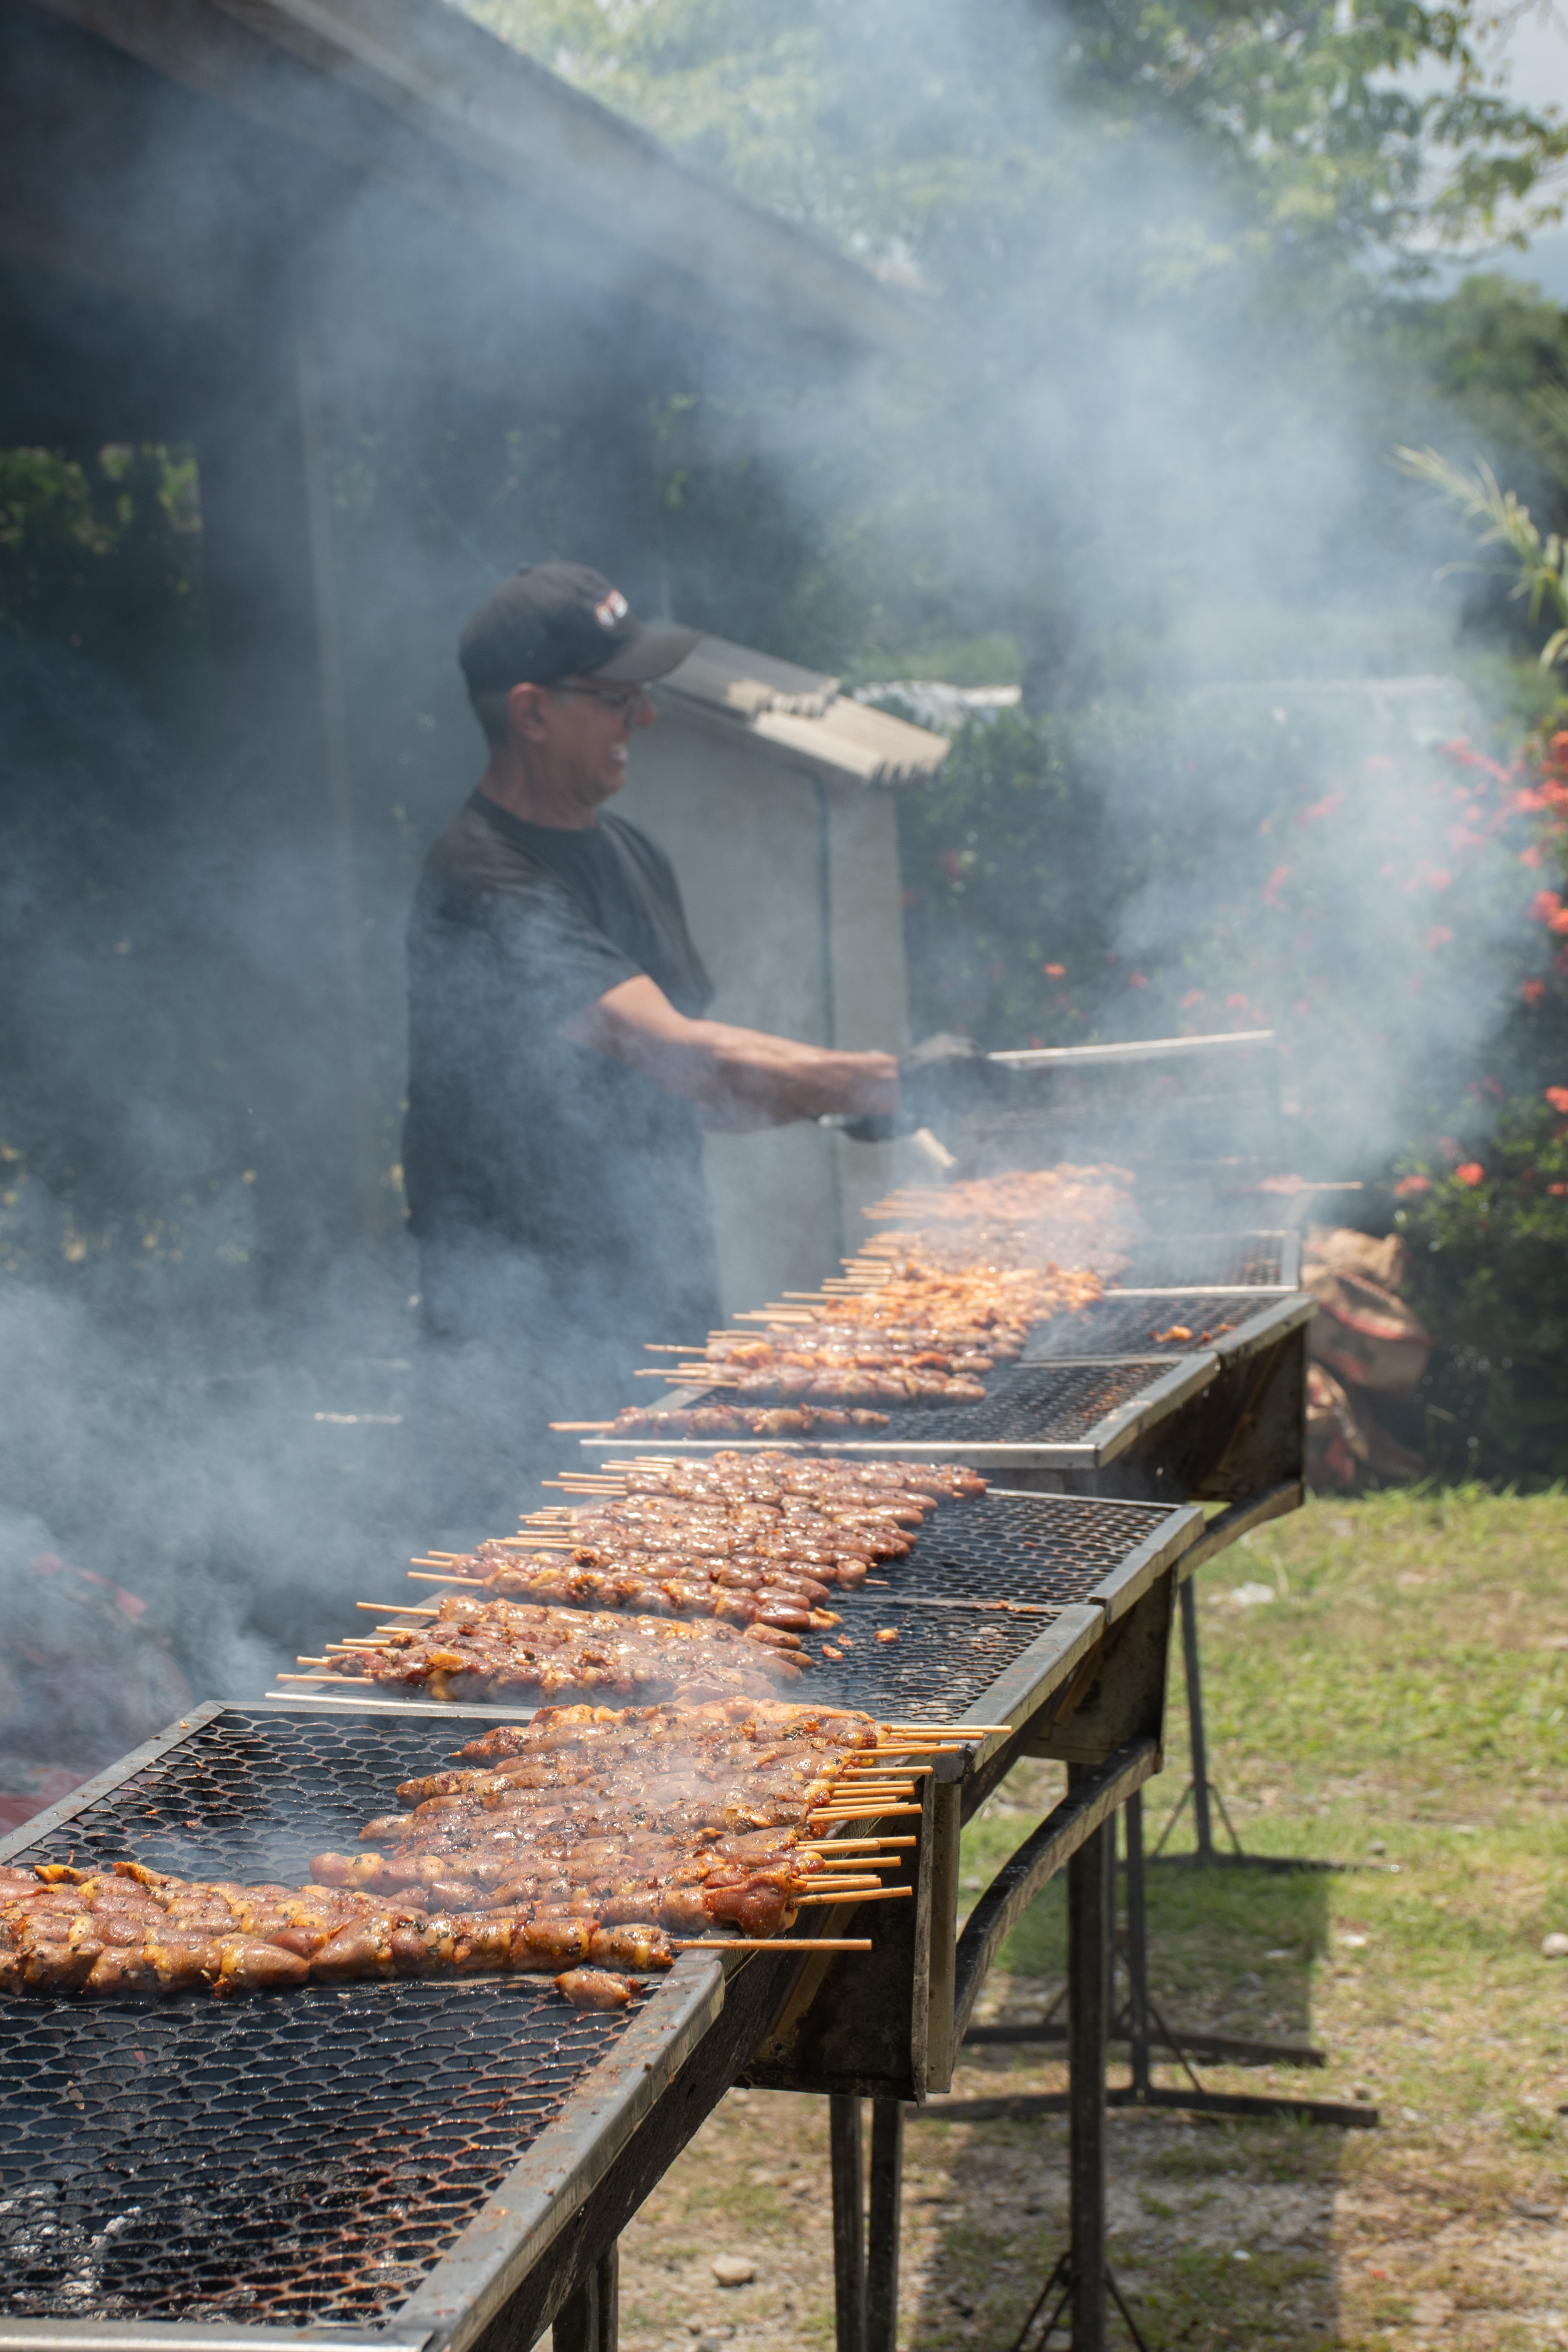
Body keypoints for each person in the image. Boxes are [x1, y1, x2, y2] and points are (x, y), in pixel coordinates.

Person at [403, 563, 899, 1517]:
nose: (646, 716)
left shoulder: (635, 856)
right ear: (531, 712)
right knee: (557, 1598)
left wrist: (831, 1100)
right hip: (524, 1361)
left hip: (661, 1323)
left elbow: (708, 1091)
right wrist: (889, 1081)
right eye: (615, 696)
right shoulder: (480, 879)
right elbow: (681, 1051)